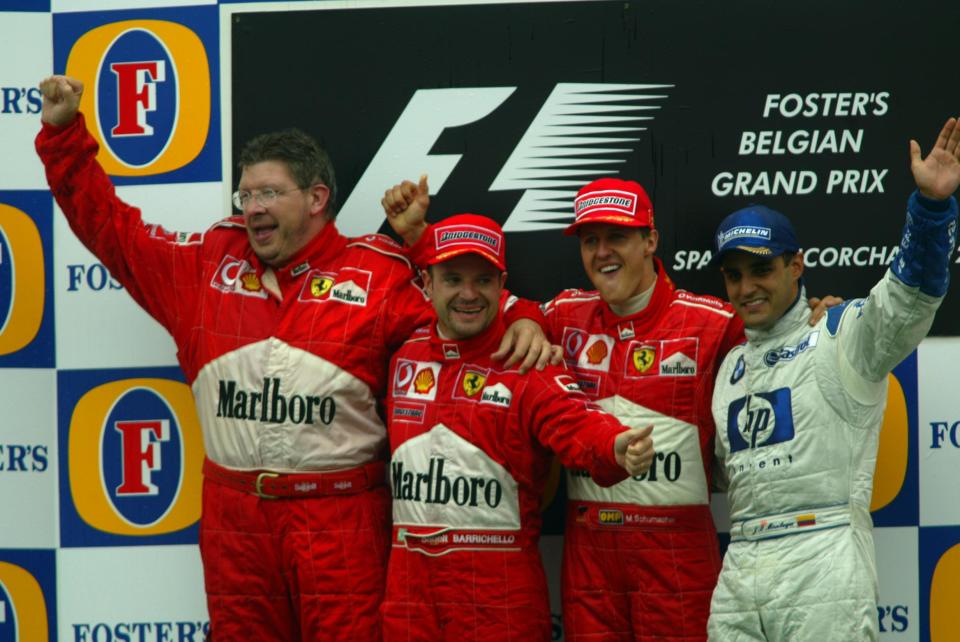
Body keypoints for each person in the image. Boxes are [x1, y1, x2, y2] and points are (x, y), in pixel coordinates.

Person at [36, 75, 553, 642]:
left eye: (269, 193)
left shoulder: (376, 274)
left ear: (316, 198)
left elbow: (464, 309)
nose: (253, 207)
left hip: (339, 521)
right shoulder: (206, 265)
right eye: (246, 195)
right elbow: (112, 230)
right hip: (236, 525)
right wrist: (64, 137)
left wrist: (526, 313)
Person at [382, 176, 835, 642]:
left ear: (650, 241)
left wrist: (813, 315)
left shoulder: (710, 322)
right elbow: (482, 297)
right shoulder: (560, 316)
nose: (602, 252)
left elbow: (773, 343)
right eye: (590, 240)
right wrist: (523, 319)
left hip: (676, 554)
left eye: (617, 237)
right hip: (590, 560)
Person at [707, 117, 960, 641]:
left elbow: (906, 301)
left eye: (761, 270)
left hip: (822, 560)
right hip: (740, 566)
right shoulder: (729, 366)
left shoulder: (840, 334)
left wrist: (931, 210)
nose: (746, 287)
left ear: (797, 265)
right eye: (734, 275)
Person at [380, 213, 655, 642]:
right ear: (428, 285)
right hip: (410, 595)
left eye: (483, 281)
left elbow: (575, 420)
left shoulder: (524, 358)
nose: (468, 295)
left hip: (498, 598)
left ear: (501, 285)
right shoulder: (404, 357)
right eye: (453, 280)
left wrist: (615, 446)